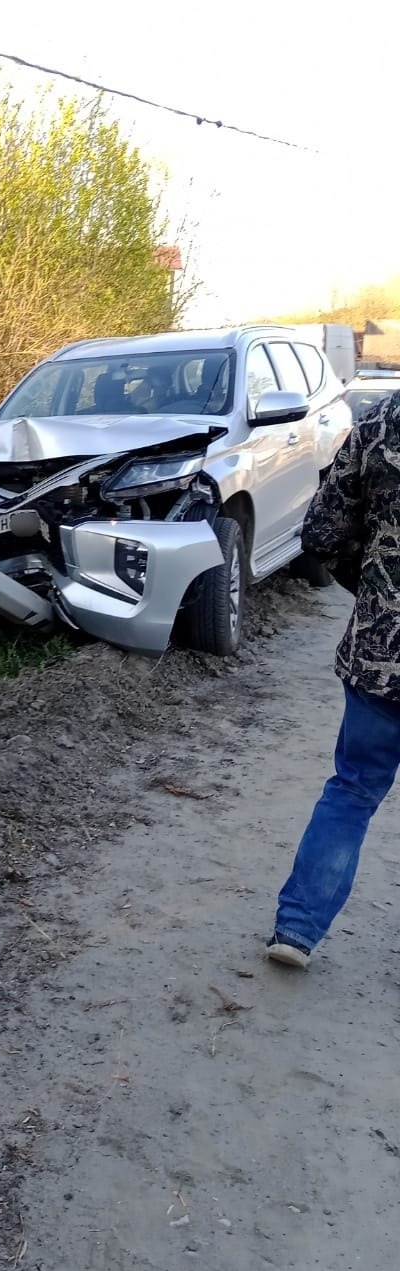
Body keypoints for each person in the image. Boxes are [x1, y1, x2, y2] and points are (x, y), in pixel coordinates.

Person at [268, 392, 400, 968]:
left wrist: (376, 593)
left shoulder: (382, 421)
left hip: (382, 654)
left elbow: (321, 533)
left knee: (352, 790)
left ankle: (295, 932)